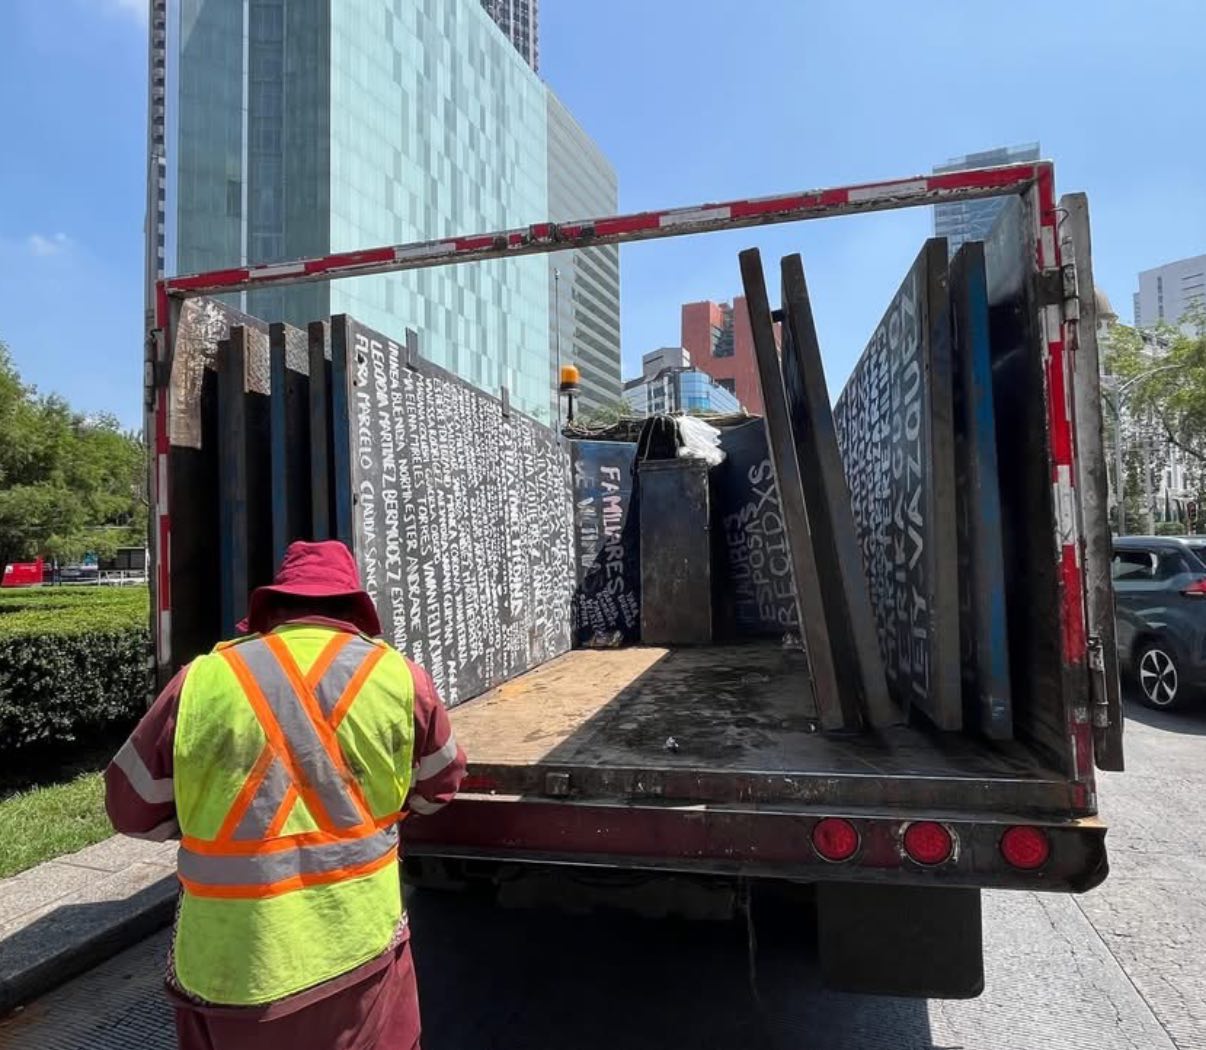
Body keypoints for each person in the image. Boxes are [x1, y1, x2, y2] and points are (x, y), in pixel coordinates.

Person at [105, 540, 465, 1050]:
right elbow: (442, 783)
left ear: (272, 608)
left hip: (231, 967)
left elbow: (130, 807)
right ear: (354, 609)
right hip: (357, 948)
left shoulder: (203, 679)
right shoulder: (399, 678)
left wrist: (205, 820)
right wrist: (385, 812)